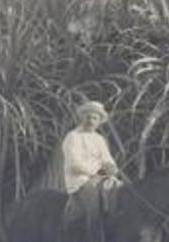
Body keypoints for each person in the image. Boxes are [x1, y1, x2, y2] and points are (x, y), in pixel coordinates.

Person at [61, 100, 122, 241]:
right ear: (82, 117)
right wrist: (96, 173)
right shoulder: (73, 137)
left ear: (100, 121)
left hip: (100, 178)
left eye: (95, 118)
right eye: (88, 117)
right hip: (80, 181)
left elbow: (107, 158)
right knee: (95, 207)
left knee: (121, 191)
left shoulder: (99, 139)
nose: (91, 121)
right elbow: (74, 164)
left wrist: (111, 167)